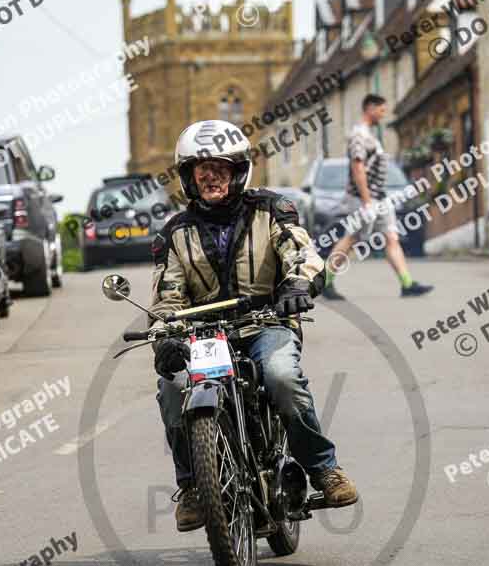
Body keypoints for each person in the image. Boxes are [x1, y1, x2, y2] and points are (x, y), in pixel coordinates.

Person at [149, 119, 358, 532]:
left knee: (280, 376)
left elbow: (302, 252)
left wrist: (299, 283)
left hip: (266, 321)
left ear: (239, 171)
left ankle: (323, 469)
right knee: (173, 388)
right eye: (201, 170)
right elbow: (167, 297)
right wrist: (165, 339)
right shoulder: (175, 233)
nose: (211, 177)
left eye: (221, 168)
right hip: (205, 334)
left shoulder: (272, 210)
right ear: (189, 177)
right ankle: (193, 487)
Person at [323, 94, 433, 301]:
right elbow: (357, 167)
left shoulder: (370, 136)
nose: (383, 115)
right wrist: (366, 201)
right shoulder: (359, 136)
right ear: (370, 108)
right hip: (363, 198)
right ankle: (325, 281)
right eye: (381, 110)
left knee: (391, 237)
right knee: (352, 238)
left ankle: (407, 284)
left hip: (380, 198)